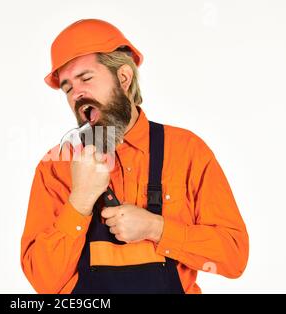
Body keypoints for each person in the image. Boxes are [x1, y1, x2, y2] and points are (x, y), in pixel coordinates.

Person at [20, 19, 249, 294]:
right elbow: (43, 283)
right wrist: (79, 200)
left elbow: (234, 257)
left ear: (124, 78)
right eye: (68, 87)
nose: (77, 94)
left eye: (86, 78)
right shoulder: (56, 168)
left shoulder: (187, 151)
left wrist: (157, 228)